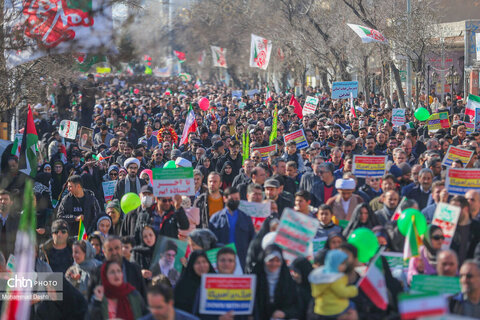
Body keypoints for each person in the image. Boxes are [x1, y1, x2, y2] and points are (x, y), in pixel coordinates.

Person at [209, 187, 255, 271]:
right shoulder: (215, 218)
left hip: (241, 260)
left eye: (237, 199)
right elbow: (210, 242)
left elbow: (252, 240)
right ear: (224, 198)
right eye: (232, 199)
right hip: (221, 261)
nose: (234, 201)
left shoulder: (246, 218)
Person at [253, 244, 299, 319]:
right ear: (264, 260)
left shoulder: (287, 280)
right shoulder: (256, 278)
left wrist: (284, 313)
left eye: (277, 261)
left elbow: (295, 306)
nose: (274, 264)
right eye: (270, 260)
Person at [308, 249, 358, 320]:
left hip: (321, 309)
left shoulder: (319, 275)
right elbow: (342, 292)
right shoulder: (335, 278)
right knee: (352, 305)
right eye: (342, 263)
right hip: (335, 309)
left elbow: (314, 293)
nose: (344, 266)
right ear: (335, 263)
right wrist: (353, 290)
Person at [0, 189, 20, 258]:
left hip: (13, 259)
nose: (3, 202)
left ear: (11, 202)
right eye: (0, 199)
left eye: (6, 199)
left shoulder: (18, 219)